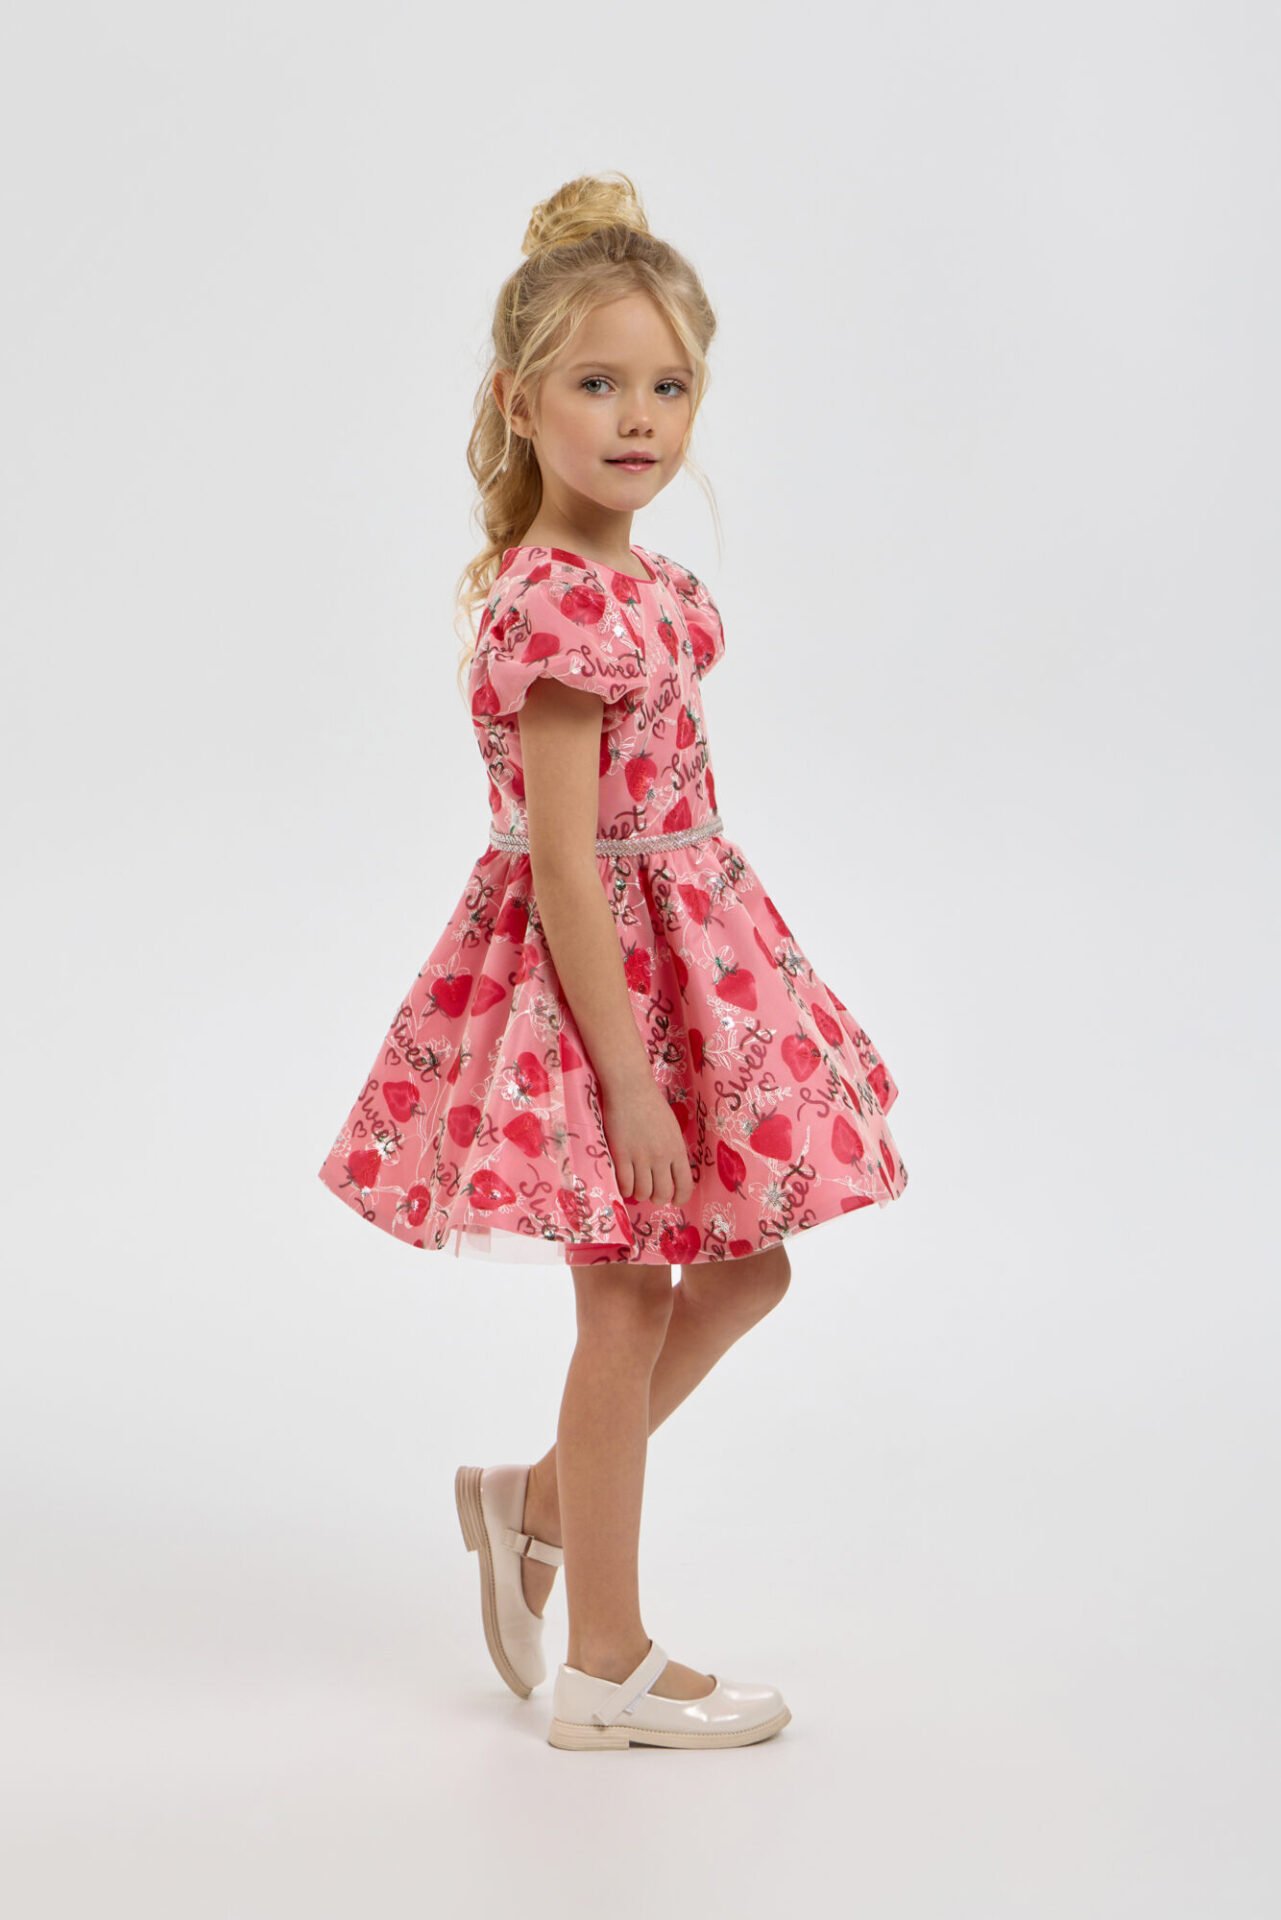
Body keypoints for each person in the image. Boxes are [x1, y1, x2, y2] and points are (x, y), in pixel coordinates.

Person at [316, 171, 909, 1751]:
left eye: (668, 386)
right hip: (595, 991)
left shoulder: (654, 592)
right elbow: (566, 863)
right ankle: (605, 1661)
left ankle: (532, 1506)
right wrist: (630, 1081)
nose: (638, 418)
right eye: (595, 383)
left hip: (693, 954)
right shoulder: (552, 609)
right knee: (630, 1303)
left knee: (746, 1266)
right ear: (519, 405)